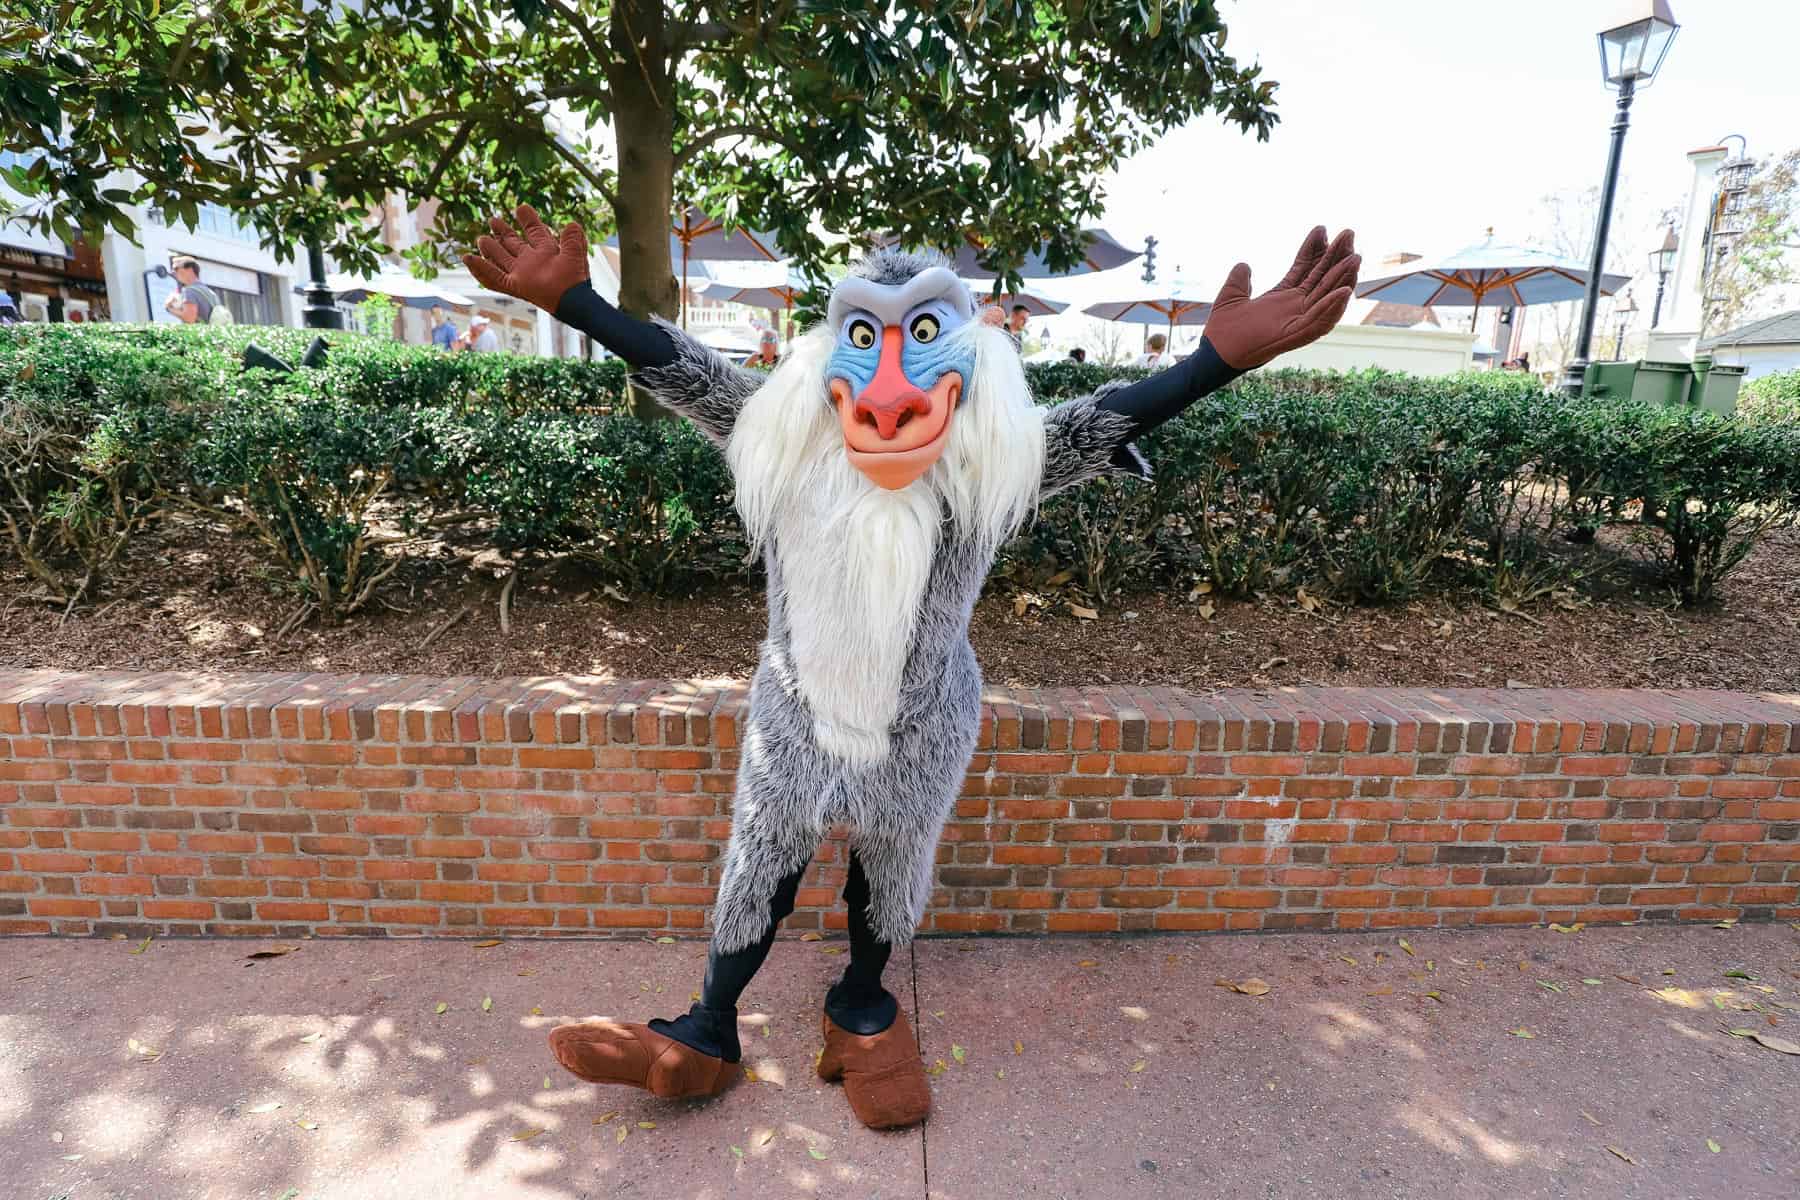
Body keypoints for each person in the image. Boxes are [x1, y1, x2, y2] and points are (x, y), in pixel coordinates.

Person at [462, 204, 1358, 1132]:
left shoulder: (985, 470)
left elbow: (1102, 420)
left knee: (892, 867)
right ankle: (708, 1027)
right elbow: (682, 369)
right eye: (867, 336)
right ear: (829, 356)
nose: (891, 389)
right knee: (760, 862)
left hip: (924, 721)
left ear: (967, 358)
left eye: (924, 334)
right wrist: (575, 302)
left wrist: (1215, 362)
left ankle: (859, 1008)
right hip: (795, 718)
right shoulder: (785, 443)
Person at [163, 256, 232, 325]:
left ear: (189, 270)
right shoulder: (209, 292)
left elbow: (189, 318)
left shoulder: (189, 291)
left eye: (176, 268)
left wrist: (169, 308)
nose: (173, 272)